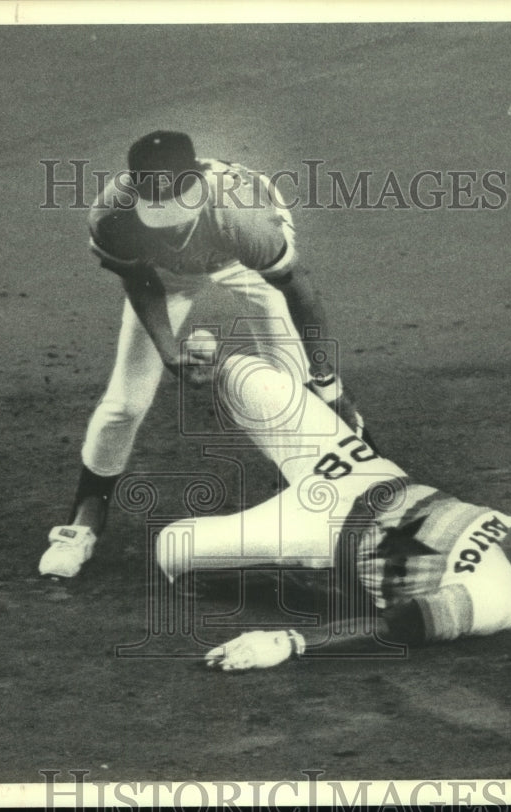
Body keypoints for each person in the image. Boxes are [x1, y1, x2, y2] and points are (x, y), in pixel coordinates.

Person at [146, 352, 511, 672]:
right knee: (248, 374)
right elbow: (417, 511)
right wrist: (356, 432)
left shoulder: (495, 601)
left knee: (172, 549)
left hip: (322, 531)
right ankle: (209, 363)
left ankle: (261, 575)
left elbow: (400, 626)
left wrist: (290, 643)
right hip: (362, 469)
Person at [40, 131, 372, 579]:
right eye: (155, 209)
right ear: (134, 188)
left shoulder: (242, 214)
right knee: (124, 404)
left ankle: (352, 503)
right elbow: (141, 282)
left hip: (242, 261)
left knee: (291, 396)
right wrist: (170, 351)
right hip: (168, 276)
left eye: (177, 208)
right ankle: (84, 520)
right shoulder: (112, 216)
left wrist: (327, 382)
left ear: (195, 180)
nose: (171, 223)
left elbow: (299, 292)